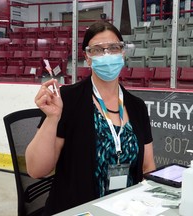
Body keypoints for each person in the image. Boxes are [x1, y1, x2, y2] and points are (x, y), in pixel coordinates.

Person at [25, 21, 156, 215]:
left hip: (125, 208)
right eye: (97, 50)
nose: (106, 54)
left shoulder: (136, 106)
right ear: (87, 57)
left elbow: (147, 166)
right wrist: (52, 118)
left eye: (113, 48)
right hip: (78, 210)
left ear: (122, 53)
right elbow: (36, 170)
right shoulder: (67, 100)